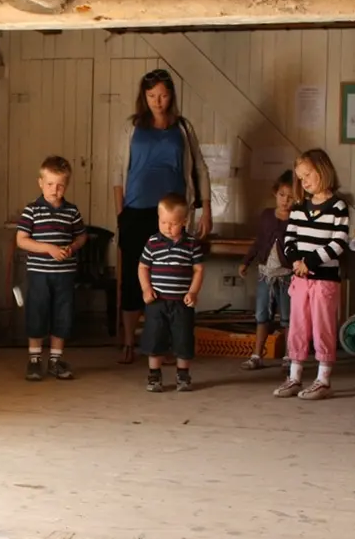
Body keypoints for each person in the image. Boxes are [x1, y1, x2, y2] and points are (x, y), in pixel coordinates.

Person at [112, 68, 212, 365]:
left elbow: (200, 169)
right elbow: (119, 172)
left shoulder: (182, 127)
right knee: (133, 278)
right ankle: (130, 342)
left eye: (164, 95)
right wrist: (121, 212)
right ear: (144, 96)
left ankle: (168, 342)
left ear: (172, 96)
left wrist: (206, 209)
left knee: (174, 278)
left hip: (174, 215)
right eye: (152, 95)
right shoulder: (133, 126)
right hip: (136, 212)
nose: (158, 101)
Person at [273, 150, 350, 401]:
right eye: (300, 177)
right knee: (298, 326)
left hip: (325, 280)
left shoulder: (338, 207)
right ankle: (294, 376)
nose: (304, 181)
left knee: (322, 327)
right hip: (300, 280)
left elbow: (338, 243)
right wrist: (296, 260)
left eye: (308, 175)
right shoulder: (298, 207)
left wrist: (311, 261)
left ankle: (323, 379)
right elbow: (288, 240)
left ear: (323, 170)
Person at [15, 156, 88, 381]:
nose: (54, 190)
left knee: (62, 315)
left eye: (60, 185)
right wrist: (48, 248)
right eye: (49, 184)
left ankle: (56, 360)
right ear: (40, 183)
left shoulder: (72, 211)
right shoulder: (32, 210)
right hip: (39, 274)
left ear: (66, 185)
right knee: (37, 312)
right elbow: (22, 240)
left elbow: (82, 235)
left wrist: (73, 247)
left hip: (64, 275)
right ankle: (34, 360)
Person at [137, 193, 204, 393]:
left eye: (173, 223)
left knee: (183, 339)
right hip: (157, 302)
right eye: (163, 222)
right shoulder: (153, 242)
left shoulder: (191, 244)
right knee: (154, 338)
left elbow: (199, 270)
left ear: (184, 221)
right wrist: (146, 289)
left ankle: (183, 376)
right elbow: (142, 267)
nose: (167, 227)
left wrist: (193, 292)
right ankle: (154, 376)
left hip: (182, 303)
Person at [239, 170, 295, 371]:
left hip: (288, 276)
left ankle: (289, 356)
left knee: (288, 318)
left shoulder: (297, 219)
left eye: (291, 197)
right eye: (282, 195)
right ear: (275, 193)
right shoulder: (266, 215)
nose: (285, 201)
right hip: (265, 274)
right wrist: (246, 261)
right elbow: (258, 242)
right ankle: (256, 355)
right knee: (262, 315)